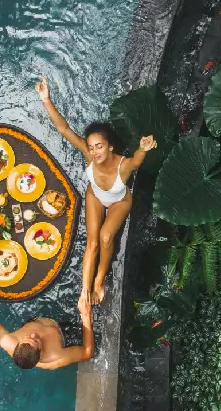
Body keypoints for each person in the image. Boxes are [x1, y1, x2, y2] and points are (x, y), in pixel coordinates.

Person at [34, 76, 157, 306]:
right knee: (92, 243)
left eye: (99, 146)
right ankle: (84, 291)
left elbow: (137, 161)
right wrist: (46, 99)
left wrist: (143, 148)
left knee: (106, 236)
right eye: (90, 147)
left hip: (119, 201)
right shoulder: (88, 155)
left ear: (110, 146)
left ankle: (99, 281)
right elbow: (63, 128)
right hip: (95, 196)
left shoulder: (123, 165)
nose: (94, 152)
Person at [0, 265, 94, 369]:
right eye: (36, 341)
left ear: (19, 343)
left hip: (44, 315)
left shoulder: (8, 341)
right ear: (41, 353)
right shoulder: (56, 357)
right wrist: (86, 315)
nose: (34, 335)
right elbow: (88, 353)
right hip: (65, 332)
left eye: (28, 338)